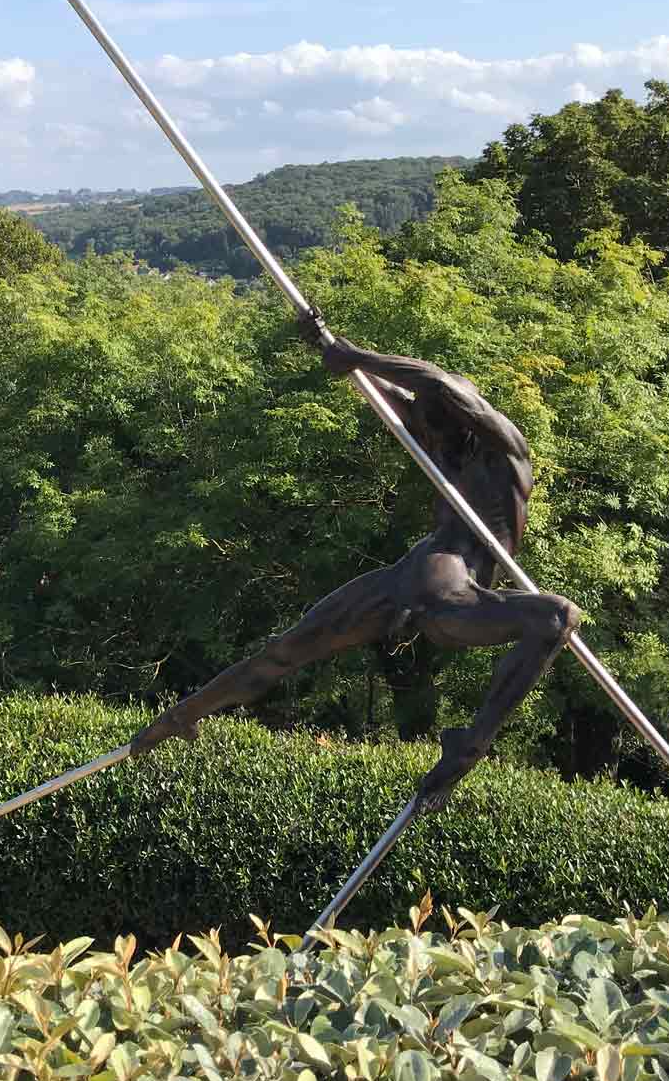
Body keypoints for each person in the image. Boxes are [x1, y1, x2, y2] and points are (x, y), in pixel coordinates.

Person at [130, 310, 581, 811]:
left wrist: (356, 357)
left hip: (437, 580)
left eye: (434, 424)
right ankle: (184, 715)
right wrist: (326, 343)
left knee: (556, 616)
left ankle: (470, 745)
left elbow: (436, 381)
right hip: (428, 576)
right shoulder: (446, 444)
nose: (426, 434)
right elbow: (390, 391)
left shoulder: (505, 452)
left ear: (464, 419)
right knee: (287, 648)